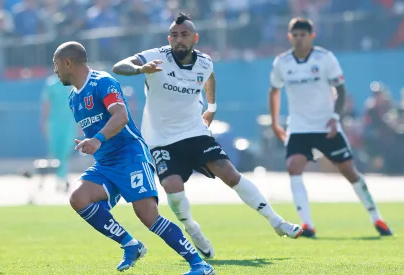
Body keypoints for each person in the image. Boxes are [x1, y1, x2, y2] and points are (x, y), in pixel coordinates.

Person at [112, 12, 302, 259]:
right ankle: (192, 227)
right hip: (160, 138)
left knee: (229, 172)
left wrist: (211, 108)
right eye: (174, 35)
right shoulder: (156, 57)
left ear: (195, 38)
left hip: (194, 131)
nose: (179, 39)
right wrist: (140, 69)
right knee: (172, 186)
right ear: (169, 38)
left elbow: (209, 78)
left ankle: (277, 222)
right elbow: (119, 66)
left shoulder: (204, 62)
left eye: (184, 35)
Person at [53, 41, 215, 275]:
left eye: (56, 64)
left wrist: (97, 139)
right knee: (79, 198)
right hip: (106, 163)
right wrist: (91, 143)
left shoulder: (102, 82)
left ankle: (200, 265)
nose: (55, 70)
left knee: (148, 216)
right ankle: (131, 244)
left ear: (68, 62)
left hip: (130, 156)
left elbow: (120, 117)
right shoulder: (73, 98)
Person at [268, 17, 393, 238]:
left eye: (302, 35)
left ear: (311, 36)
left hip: (326, 125)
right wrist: (275, 121)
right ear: (289, 37)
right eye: (294, 35)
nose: (298, 39)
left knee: (349, 171)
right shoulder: (281, 62)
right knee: (293, 166)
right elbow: (274, 91)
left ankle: (377, 217)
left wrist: (336, 117)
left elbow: (341, 90)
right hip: (299, 127)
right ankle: (307, 225)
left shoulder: (325, 58)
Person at [41, 74, 78, 192]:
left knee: (65, 152)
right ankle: (59, 178)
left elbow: (77, 104)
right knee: (55, 152)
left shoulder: (73, 82)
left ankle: (62, 178)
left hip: (69, 124)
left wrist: (80, 123)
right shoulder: (51, 83)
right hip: (54, 124)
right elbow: (46, 103)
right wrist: (44, 121)